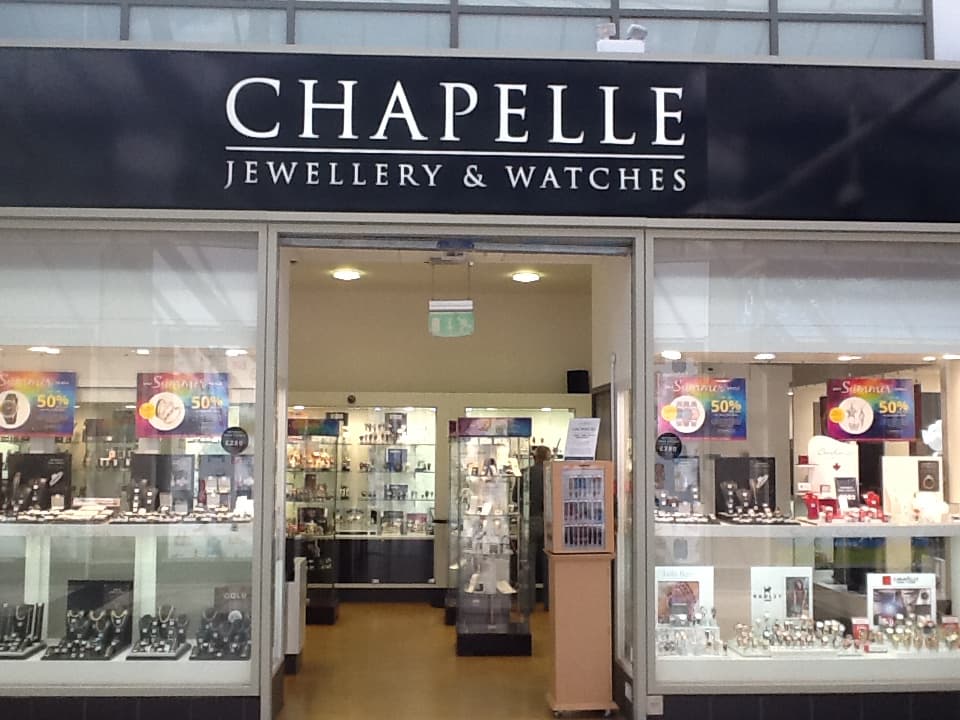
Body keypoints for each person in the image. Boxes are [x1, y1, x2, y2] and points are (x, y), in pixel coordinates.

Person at [526, 445, 552, 609]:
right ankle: (549, 602)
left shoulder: (525, 473)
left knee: (528, 563)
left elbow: (516, 497)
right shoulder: (551, 474)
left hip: (530, 520)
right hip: (549, 521)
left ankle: (529, 603)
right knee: (549, 563)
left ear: (534, 457)